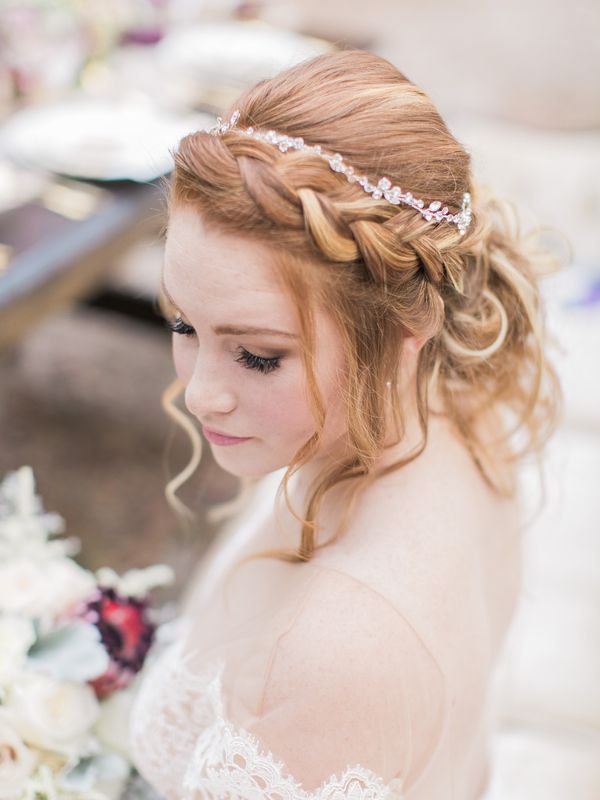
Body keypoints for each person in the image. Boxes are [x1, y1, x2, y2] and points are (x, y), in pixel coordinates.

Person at [128, 49, 562, 800]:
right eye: (181, 321)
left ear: (406, 326)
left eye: (257, 356)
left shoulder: (334, 653)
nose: (201, 395)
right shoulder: (448, 401)